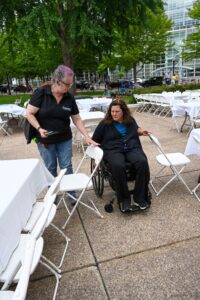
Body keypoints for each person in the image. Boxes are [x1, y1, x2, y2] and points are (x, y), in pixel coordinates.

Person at [26, 64, 98, 201]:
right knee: (50, 168)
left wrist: (87, 136)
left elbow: (76, 118)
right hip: (45, 140)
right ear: (58, 81)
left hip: (64, 138)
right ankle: (53, 196)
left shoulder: (69, 97)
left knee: (66, 166)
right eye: (67, 84)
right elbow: (29, 113)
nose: (69, 87)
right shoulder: (41, 93)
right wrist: (39, 128)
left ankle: (71, 195)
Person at [92, 99, 151, 212]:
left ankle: (140, 198)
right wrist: (95, 152)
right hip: (113, 150)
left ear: (123, 111)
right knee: (118, 165)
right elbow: (95, 139)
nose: (114, 114)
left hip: (131, 148)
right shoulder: (104, 124)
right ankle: (124, 200)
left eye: (117, 111)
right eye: (112, 111)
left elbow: (136, 129)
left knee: (142, 162)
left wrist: (141, 131)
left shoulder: (130, 121)